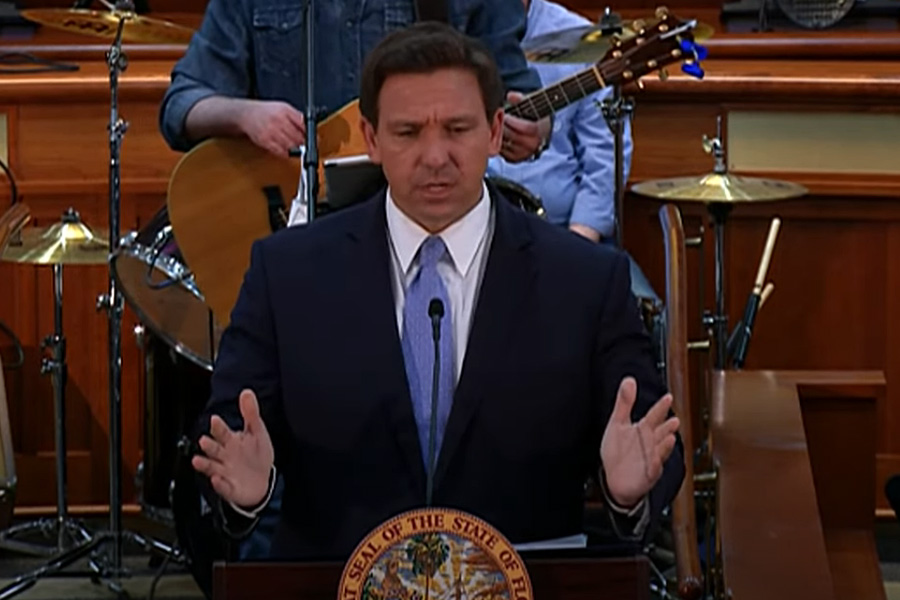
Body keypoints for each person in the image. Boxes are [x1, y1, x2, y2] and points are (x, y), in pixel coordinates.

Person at [190, 22, 684, 560]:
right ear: (372, 139)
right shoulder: (286, 273)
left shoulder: (586, 280)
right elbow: (224, 440)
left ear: (495, 131)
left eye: (457, 129)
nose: (434, 155)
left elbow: (652, 441)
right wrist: (245, 496)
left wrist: (627, 491)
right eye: (408, 133)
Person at [158, 0, 550, 163]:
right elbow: (182, 106)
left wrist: (537, 130)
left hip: (424, 222)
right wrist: (246, 115)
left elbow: (520, 95)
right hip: (289, 229)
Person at [487, 0, 631, 243]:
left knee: (623, 281)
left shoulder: (580, 38)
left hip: (564, 233)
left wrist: (578, 243)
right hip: (470, 234)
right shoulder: (451, 30)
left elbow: (605, 157)